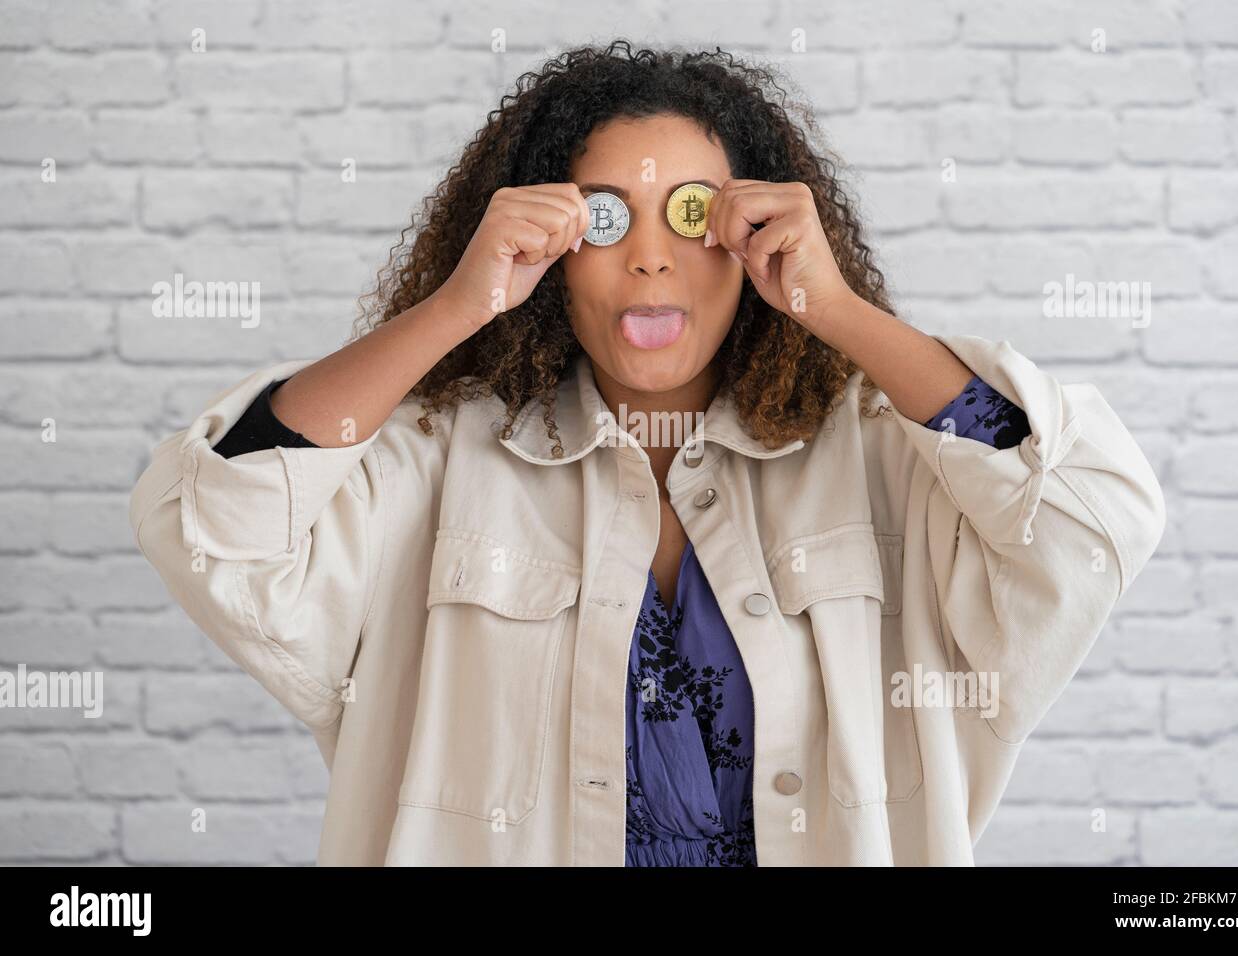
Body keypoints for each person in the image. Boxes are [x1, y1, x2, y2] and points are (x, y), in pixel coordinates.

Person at [129, 41, 1165, 866]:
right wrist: (454, 305)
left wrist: (841, 310)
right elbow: (222, 519)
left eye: (689, 214)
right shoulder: (446, 462)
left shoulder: (883, 456)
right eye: (607, 217)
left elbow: (1084, 515)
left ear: (757, 233)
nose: (653, 255)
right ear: (549, 250)